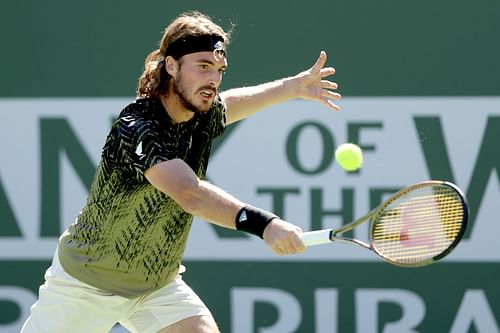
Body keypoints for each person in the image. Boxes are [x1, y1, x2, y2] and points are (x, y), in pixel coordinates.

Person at [21, 10, 341, 333]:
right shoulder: (136, 126)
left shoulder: (202, 114)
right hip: (85, 282)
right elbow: (190, 194)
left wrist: (295, 87)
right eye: (203, 66)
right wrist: (265, 224)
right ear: (171, 66)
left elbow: (232, 104)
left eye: (219, 70)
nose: (213, 80)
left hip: (155, 286)